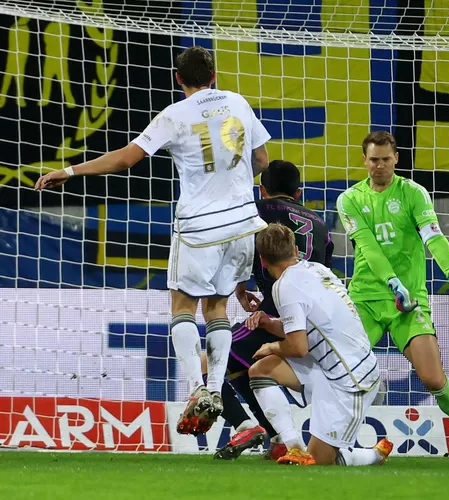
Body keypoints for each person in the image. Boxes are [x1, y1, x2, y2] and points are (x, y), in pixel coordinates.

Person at [35, 46, 271, 434]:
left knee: (182, 306)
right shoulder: (237, 102)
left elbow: (127, 159)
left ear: (178, 79)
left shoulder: (174, 116)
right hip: (244, 222)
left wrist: (70, 171)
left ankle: (198, 389)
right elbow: (261, 160)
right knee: (218, 309)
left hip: (199, 225)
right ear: (214, 75)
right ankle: (215, 388)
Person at [335, 131, 449, 458]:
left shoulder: (414, 193)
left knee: (433, 378)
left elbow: (433, 238)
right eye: (373, 160)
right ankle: (337, 442)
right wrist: (394, 285)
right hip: (366, 300)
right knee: (345, 374)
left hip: (410, 304)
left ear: (396, 158)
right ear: (364, 160)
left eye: (385, 159)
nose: (379, 166)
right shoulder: (350, 199)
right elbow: (368, 248)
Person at [205, 160, 333, 460]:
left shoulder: (257, 210)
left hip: (278, 310)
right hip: (312, 316)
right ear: (299, 193)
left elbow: (239, 249)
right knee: (241, 367)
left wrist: (238, 287)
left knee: (206, 365)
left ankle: (246, 426)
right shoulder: (322, 224)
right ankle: (274, 436)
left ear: (262, 189)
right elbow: (324, 273)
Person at [244, 223, 392, 466]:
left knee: (322, 462)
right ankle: (294, 447)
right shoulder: (316, 269)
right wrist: (269, 324)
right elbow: (304, 330)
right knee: (261, 370)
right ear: (295, 250)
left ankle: (373, 455)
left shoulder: (284, 286)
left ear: (262, 260)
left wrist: (272, 346)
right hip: (331, 366)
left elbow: (298, 347)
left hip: (351, 380)